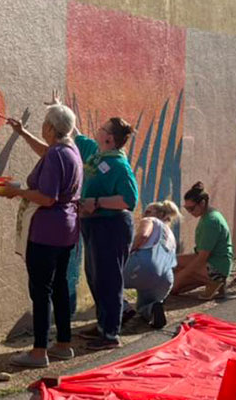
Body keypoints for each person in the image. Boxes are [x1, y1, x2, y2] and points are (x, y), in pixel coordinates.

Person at [0, 104, 82, 368]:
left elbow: (47, 198)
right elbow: (46, 153)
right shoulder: (69, 149)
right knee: (58, 286)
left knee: (40, 290)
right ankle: (64, 344)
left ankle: (38, 351)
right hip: (66, 230)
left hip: (47, 231)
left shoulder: (58, 153)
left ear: (49, 127)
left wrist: (18, 191)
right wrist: (22, 133)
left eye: (43, 124)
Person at [74, 118, 139, 350]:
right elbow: (76, 135)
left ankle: (111, 335)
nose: (97, 130)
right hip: (94, 225)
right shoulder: (97, 153)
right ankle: (103, 325)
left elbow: (129, 200)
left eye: (102, 129)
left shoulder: (119, 165)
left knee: (109, 279)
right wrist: (60, 109)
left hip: (111, 227)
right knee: (94, 276)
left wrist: (97, 202)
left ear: (109, 139)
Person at [122, 201, 180, 329]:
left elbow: (143, 235)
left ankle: (123, 309)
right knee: (143, 307)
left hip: (146, 267)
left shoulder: (151, 220)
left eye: (148, 211)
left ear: (159, 214)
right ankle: (152, 309)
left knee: (106, 276)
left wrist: (128, 251)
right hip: (165, 279)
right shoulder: (170, 234)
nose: (144, 214)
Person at [172, 182, 234, 299]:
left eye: (191, 208)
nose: (190, 212)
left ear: (202, 203)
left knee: (175, 280)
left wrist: (180, 277)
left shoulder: (210, 222)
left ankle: (215, 281)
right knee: (173, 268)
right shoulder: (209, 215)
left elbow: (201, 258)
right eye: (187, 208)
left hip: (216, 268)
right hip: (217, 264)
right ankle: (215, 283)